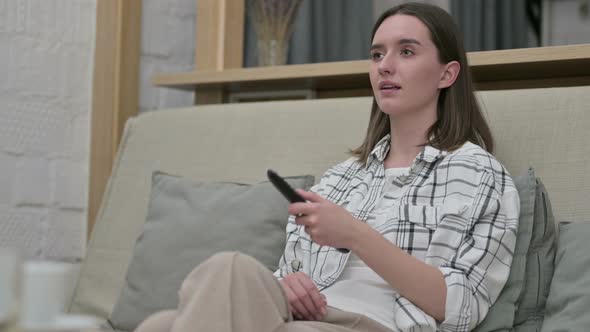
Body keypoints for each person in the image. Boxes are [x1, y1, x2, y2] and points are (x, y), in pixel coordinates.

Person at [134, 2, 519, 332]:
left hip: (375, 325)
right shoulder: (341, 178)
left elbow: (460, 307)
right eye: (376, 54)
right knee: (160, 325)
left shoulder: (477, 174)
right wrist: (286, 288)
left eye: (406, 52)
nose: (385, 66)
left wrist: (355, 235)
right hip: (300, 320)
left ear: (446, 74)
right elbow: (288, 272)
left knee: (228, 270)